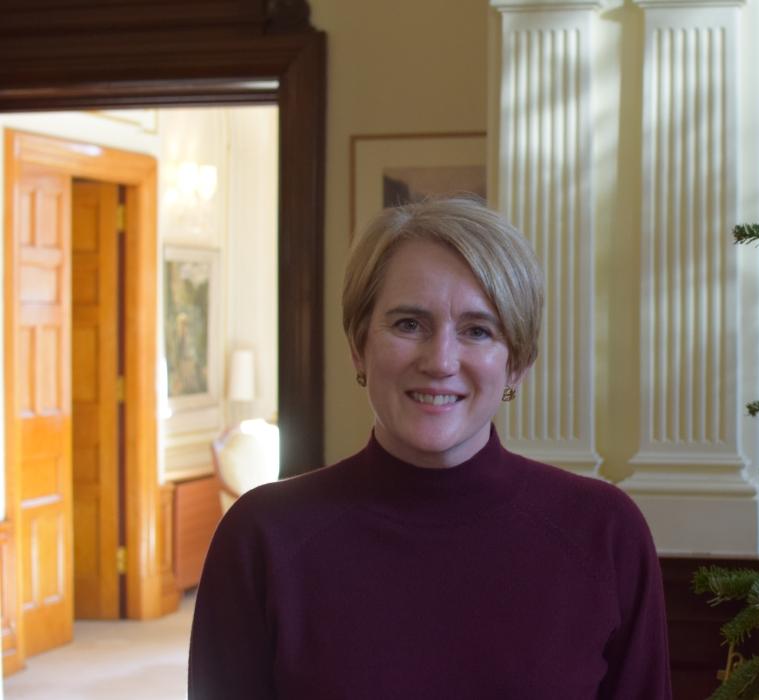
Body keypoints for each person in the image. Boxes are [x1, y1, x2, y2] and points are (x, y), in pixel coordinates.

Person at [188, 198, 673, 699]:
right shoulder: (261, 538)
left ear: (517, 365)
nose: (440, 361)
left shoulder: (604, 533)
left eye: (478, 331)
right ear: (358, 346)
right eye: (408, 324)